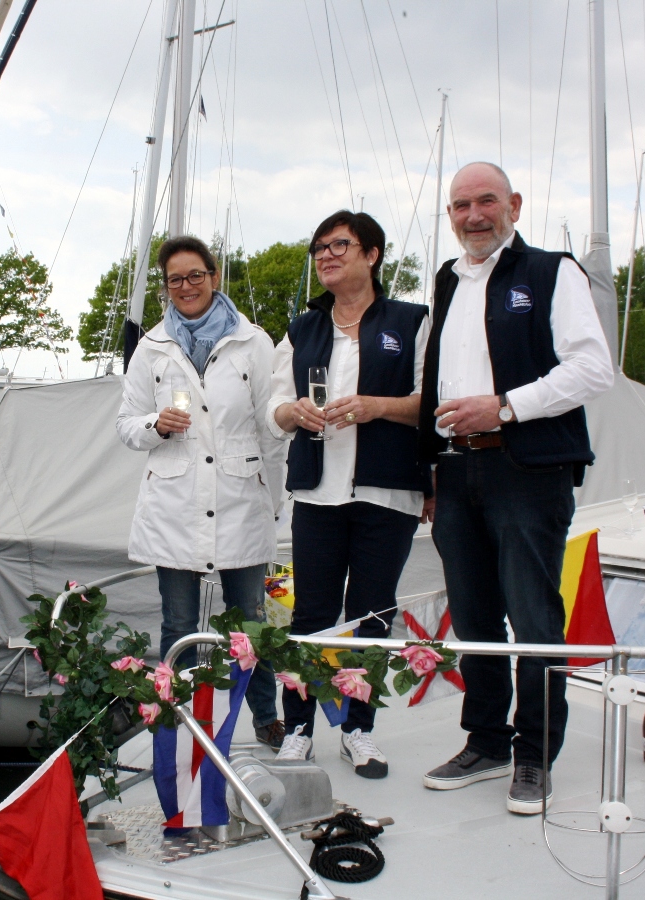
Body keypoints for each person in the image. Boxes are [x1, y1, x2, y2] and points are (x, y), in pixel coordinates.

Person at [418, 162, 614, 813]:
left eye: (486, 201)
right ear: (451, 215)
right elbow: (436, 377)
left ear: (514, 206)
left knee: (533, 619)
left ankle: (534, 753)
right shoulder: (448, 280)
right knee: (473, 618)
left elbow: (594, 369)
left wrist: (503, 407)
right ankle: (486, 742)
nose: (473, 215)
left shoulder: (552, 272)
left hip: (527, 471)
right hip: (456, 470)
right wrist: (429, 469)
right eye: (461, 205)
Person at [267, 210, 432, 779]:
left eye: (339, 245)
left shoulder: (413, 321)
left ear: (372, 254)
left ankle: (359, 729)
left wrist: (375, 406)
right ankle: (298, 728)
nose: (326, 256)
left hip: (388, 492)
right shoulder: (301, 329)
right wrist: (294, 411)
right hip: (318, 493)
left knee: (372, 614)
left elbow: (432, 403)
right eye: (319, 248)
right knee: (309, 614)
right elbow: (274, 409)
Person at [116, 235, 287, 748]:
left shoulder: (254, 343)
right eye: (175, 279)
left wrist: (273, 501)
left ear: (213, 277)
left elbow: (271, 428)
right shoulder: (150, 348)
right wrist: (156, 425)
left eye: (195, 275)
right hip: (175, 506)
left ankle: (265, 716)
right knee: (178, 623)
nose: (186, 286)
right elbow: (126, 425)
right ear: (166, 287)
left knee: (250, 624)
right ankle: (180, 718)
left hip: (240, 500)